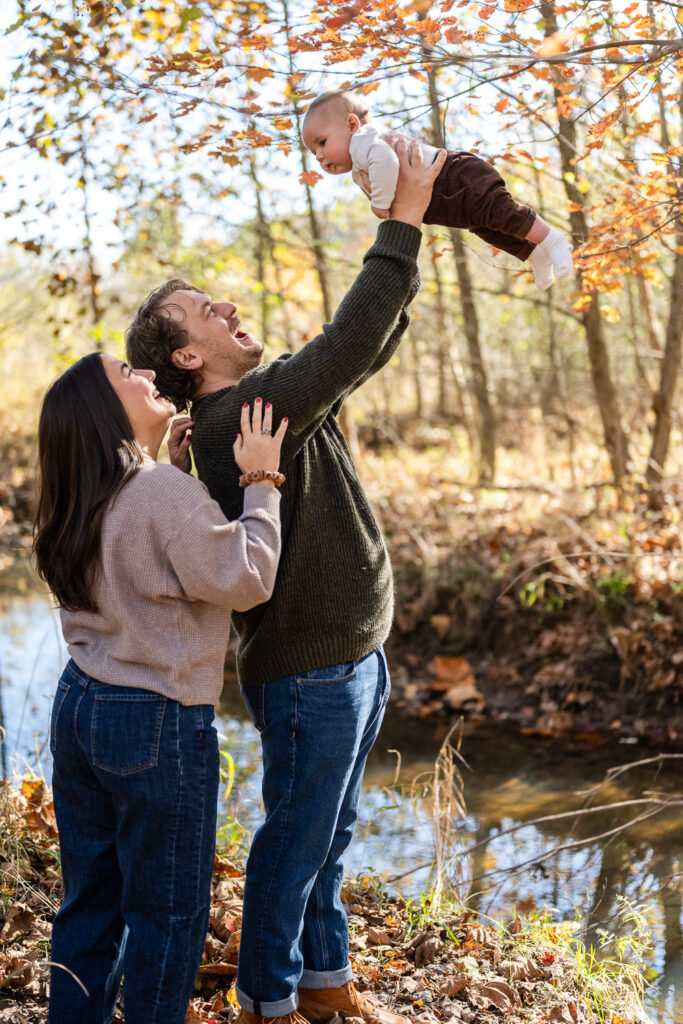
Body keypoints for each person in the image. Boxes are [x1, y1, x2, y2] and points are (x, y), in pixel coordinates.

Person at [125, 138, 445, 1024]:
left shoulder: (262, 399)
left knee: (328, 835)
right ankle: (267, 997)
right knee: (295, 846)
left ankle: (324, 981)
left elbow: (363, 347)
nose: (225, 303)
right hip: (310, 674)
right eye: (201, 310)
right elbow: (348, 341)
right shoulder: (243, 417)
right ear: (187, 359)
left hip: (353, 655)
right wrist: (400, 224)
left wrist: (413, 236)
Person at [34, 352, 287, 1024]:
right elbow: (244, 578)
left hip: (81, 705)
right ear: (104, 408)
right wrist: (262, 478)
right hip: (154, 718)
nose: (145, 374)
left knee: (90, 901)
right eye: (126, 373)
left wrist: (175, 476)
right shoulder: (159, 494)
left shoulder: (79, 492)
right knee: (169, 914)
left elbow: (138, 555)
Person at [302, 89, 573, 291]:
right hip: (449, 201)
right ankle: (534, 253)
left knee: (501, 213)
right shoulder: (359, 161)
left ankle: (552, 240)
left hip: (457, 177)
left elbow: (386, 162)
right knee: (488, 227)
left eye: (322, 142)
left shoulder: (365, 141)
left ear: (352, 124)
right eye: (314, 151)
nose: (319, 155)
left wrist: (380, 203)